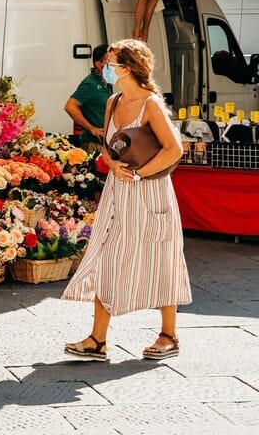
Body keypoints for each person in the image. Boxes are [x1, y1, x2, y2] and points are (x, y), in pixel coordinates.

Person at [61, 38, 191, 361]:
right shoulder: (112, 102)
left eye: (112, 63)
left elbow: (175, 150)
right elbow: (109, 144)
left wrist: (139, 173)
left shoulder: (152, 104)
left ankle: (169, 335)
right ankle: (97, 339)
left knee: (162, 256)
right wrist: (110, 161)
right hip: (117, 193)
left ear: (128, 69)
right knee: (106, 256)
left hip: (149, 192)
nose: (106, 68)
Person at [64, 45, 112, 154]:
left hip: (105, 143)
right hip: (94, 144)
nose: (114, 66)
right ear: (99, 64)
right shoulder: (90, 84)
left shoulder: (105, 83)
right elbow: (70, 106)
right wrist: (91, 128)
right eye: (109, 62)